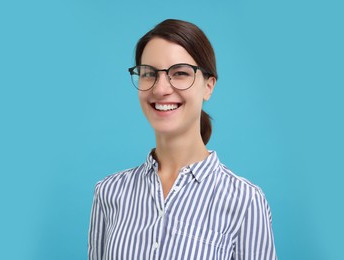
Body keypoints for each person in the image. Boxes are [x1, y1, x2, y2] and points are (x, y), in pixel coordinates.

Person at [88, 19, 277, 260]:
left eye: (179, 73)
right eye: (149, 74)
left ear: (208, 86)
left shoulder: (245, 202)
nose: (160, 89)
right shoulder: (108, 192)